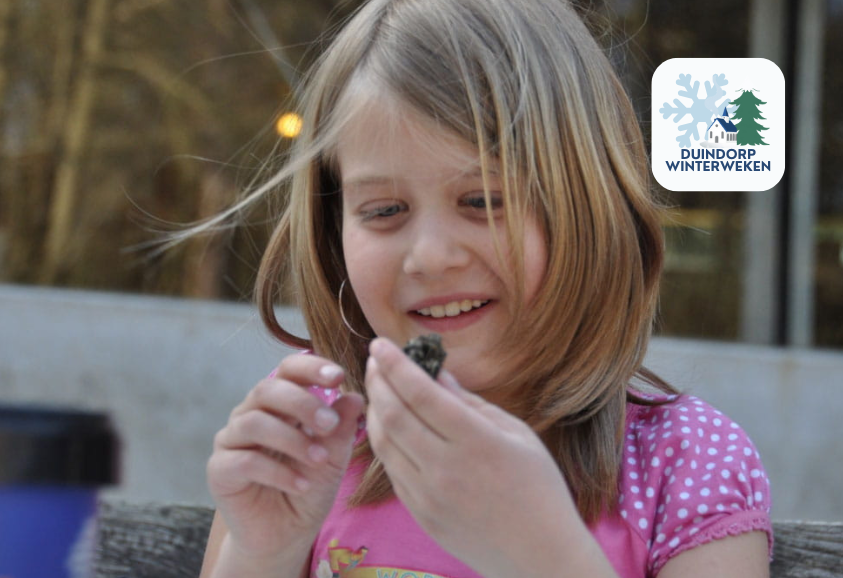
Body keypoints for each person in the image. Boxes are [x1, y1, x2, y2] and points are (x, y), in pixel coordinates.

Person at [198, 0, 773, 576]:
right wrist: (262, 551)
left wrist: (540, 551)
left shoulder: (687, 463)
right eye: (384, 210)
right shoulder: (315, 432)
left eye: (483, 201)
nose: (430, 257)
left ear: (592, 210)